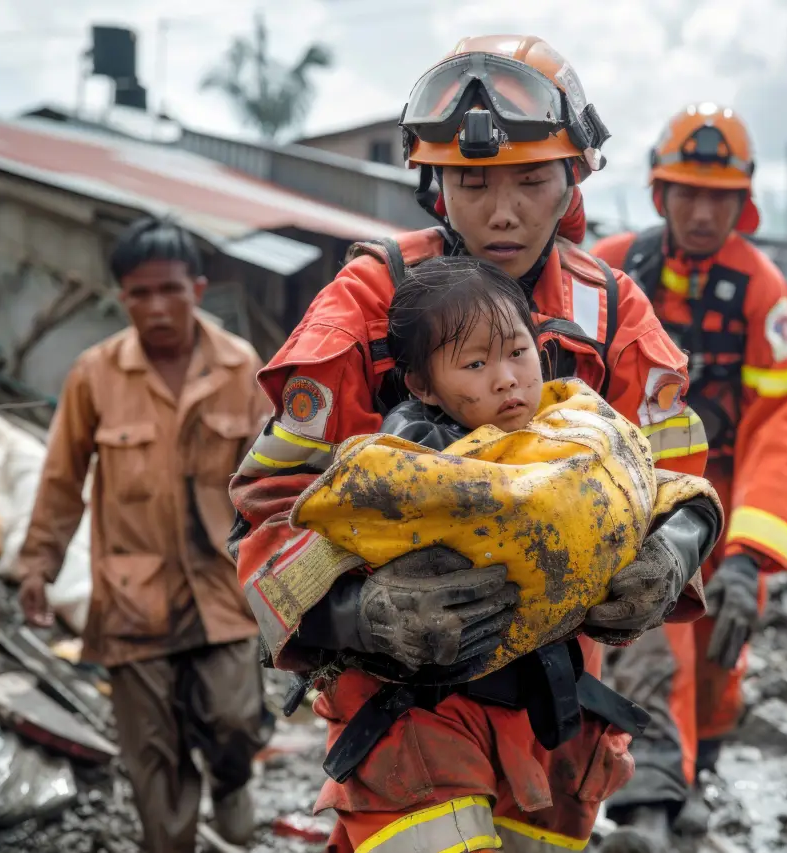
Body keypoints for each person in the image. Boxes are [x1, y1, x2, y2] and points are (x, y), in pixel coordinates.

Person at [228, 36, 718, 853]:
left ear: (574, 179)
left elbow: (681, 479)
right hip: (403, 707)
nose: (501, 211)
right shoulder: (374, 303)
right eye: (471, 181)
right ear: (434, 182)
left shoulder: (611, 314)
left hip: (558, 720)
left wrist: (669, 554)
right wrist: (354, 613)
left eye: (531, 181)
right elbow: (265, 512)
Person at [287, 255, 724, 685]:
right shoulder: (413, 455)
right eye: (475, 365)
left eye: (518, 352)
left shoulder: (580, 418)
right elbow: (327, 542)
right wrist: (359, 613)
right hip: (431, 704)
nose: (506, 379)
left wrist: (674, 550)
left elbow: (654, 485)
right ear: (422, 386)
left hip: (563, 683)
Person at [589, 102, 787, 846]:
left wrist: (750, 558)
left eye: (717, 195)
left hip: (723, 500)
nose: (701, 210)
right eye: (686, 191)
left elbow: (775, 432)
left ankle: (696, 769)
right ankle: (647, 800)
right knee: (654, 640)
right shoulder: (613, 266)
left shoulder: (763, 292)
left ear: (741, 202)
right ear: (661, 194)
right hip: (635, 496)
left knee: (719, 658)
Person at [16, 217, 272, 853]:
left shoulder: (240, 367)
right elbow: (61, 476)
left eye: (170, 290)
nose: (156, 307)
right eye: (139, 293)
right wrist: (37, 566)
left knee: (235, 720)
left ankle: (233, 781)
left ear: (199, 289)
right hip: (133, 596)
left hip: (222, 587)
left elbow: (277, 484)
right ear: (121, 297)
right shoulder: (94, 375)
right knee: (152, 760)